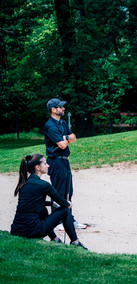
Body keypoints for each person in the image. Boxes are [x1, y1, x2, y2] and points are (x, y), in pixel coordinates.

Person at [10, 154, 88, 250]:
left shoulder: (24, 183)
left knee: (42, 210)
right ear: (38, 167)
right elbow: (63, 203)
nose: (48, 165)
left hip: (17, 229)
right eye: (45, 163)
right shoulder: (44, 185)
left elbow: (32, 203)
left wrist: (51, 203)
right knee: (65, 210)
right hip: (33, 230)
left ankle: (55, 239)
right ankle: (75, 242)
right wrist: (68, 204)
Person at [43, 98, 86, 229]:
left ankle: (68, 219)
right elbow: (61, 145)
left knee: (68, 192)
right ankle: (57, 221)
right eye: (60, 107)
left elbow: (74, 138)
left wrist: (66, 137)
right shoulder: (50, 125)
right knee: (58, 192)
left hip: (65, 161)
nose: (63, 109)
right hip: (56, 161)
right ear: (53, 109)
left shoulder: (61, 123)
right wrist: (66, 139)